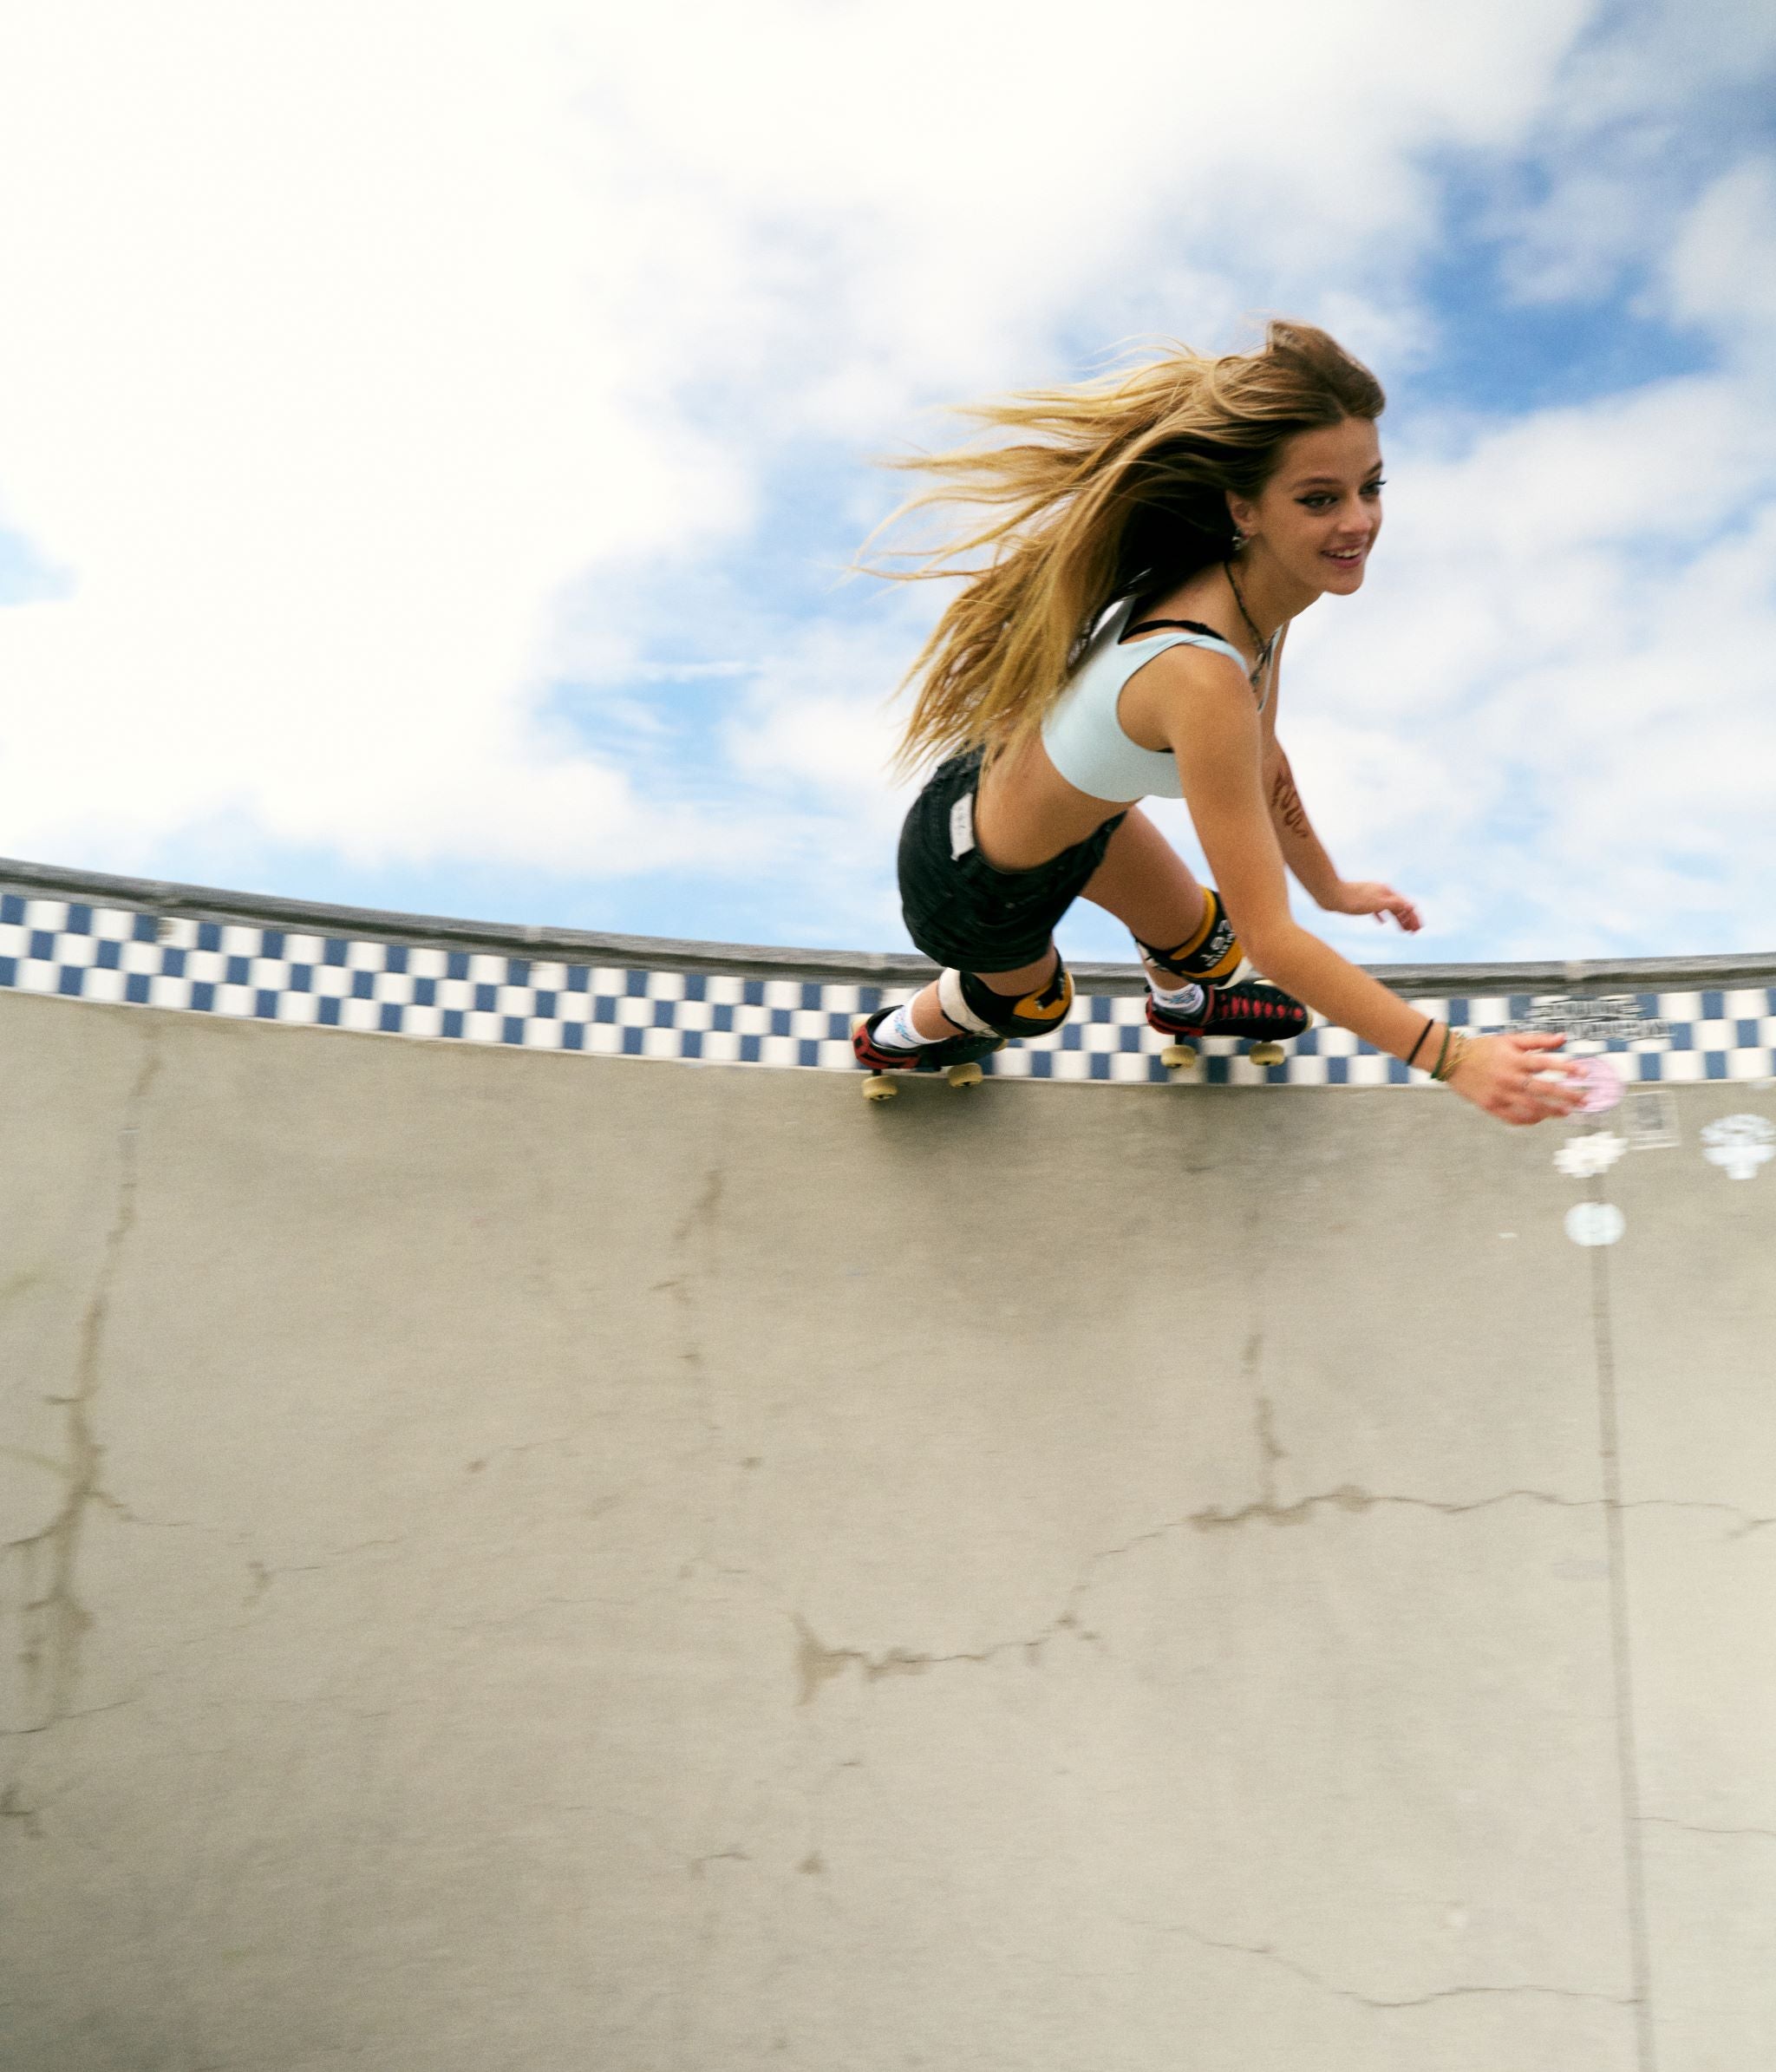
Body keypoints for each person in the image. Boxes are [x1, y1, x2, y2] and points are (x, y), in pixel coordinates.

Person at [853, 320, 1583, 1127]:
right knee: (1034, 1004)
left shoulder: (1262, 591)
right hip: (974, 881)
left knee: (1209, 945)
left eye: (1370, 488)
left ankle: (1185, 1005)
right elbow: (1277, 942)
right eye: (1319, 499)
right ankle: (890, 1038)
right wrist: (1455, 1056)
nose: (1358, 523)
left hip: (1072, 821)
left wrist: (1331, 886)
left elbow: (1263, 757)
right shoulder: (1200, 674)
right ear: (1247, 508)